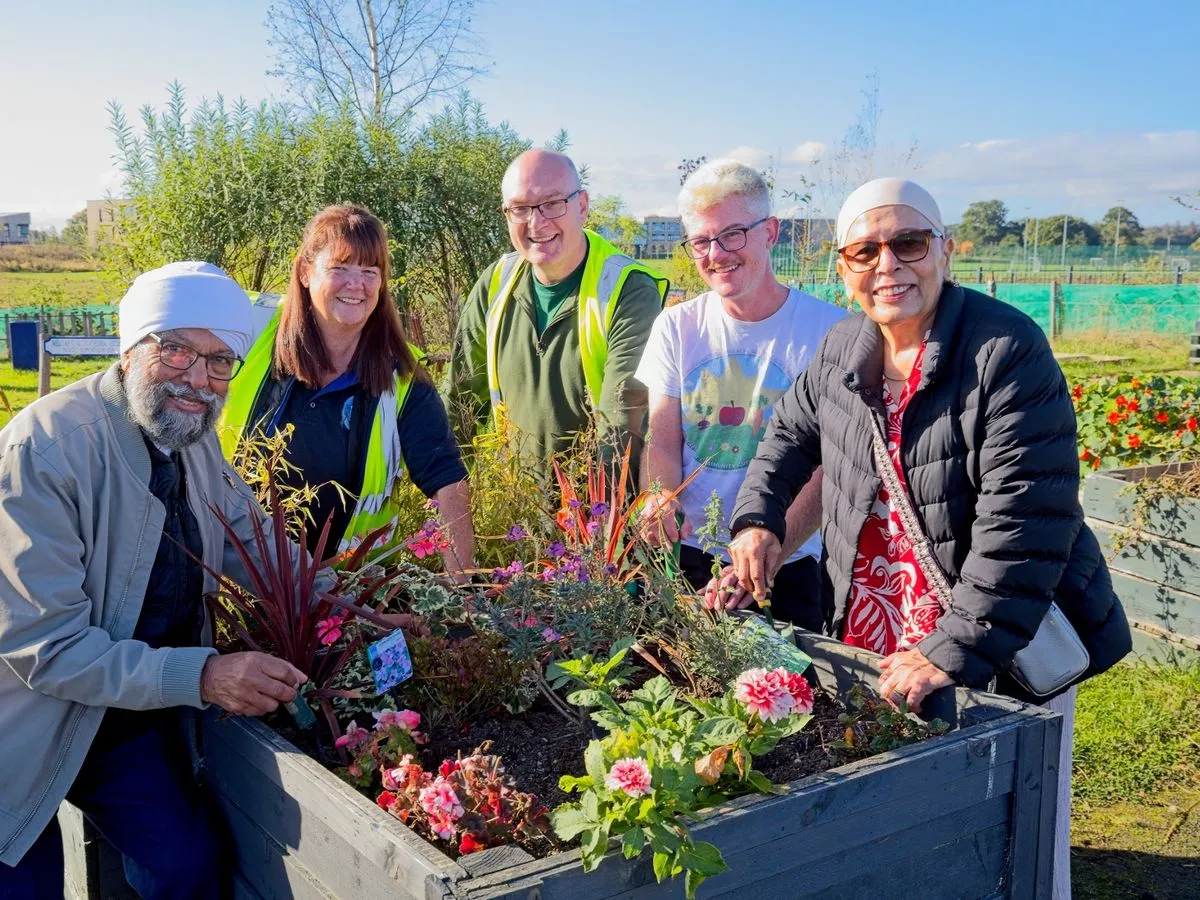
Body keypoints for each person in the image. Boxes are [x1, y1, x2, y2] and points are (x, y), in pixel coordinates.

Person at [725, 177, 1132, 899]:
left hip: (996, 636)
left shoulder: (1005, 351)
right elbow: (787, 437)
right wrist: (757, 519)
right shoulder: (844, 344)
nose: (889, 265)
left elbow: (1025, 522)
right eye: (865, 250)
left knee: (1021, 833)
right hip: (878, 635)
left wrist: (953, 648)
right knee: (908, 827)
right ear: (843, 267)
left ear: (944, 250)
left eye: (908, 242)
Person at [0, 262, 315, 897]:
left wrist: (348, 600)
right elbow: (47, 649)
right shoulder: (45, 449)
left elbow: (253, 544)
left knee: (187, 867)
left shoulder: (190, 437)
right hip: (25, 726)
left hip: (125, 716)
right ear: (133, 346)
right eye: (177, 350)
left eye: (220, 360)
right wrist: (204, 676)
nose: (198, 379)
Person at [636, 159, 846, 629]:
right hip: (691, 557)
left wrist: (769, 550)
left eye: (733, 234)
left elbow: (830, 469)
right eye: (701, 241)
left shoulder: (829, 331)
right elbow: (664, 443)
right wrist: (660, 497)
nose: (717, 253)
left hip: (790, 561)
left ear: (769, 232)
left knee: (782, 696)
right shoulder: (676, 326)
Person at [219, 205, 474, 574]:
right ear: (306, 271)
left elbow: (447, 481)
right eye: (340, 268)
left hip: (347, 600)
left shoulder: (403, 375)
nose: (356, 284)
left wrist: (462, 596)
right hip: (235, 589)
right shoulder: (249, 332)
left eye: (369, 272)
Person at [447, 149, 669, 466]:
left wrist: (593, 514)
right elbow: (461, 404)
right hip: (516, 506)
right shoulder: (496, 282)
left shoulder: (627, 289)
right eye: (520, 208)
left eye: (552, 204)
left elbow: (622, 424)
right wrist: (446, 500)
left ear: (582, 206)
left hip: (599, 508)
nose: (536, 222)